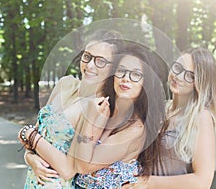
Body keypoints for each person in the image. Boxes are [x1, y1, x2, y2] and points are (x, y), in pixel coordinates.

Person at [18, 42, 166, 188]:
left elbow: (81, 166)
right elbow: (60, 148)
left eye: (136, 74)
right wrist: (30, 157)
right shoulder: (105, 109)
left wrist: (29, 135)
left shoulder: (135, 129)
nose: (126, 78)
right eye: (121, 70)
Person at [123, 47, 216, 188]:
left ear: (201, 82)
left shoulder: (201, 117)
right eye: (178, 68)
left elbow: (202, 182)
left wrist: (146, 182)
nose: (179, 76)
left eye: (190, 76)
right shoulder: (160, 108)